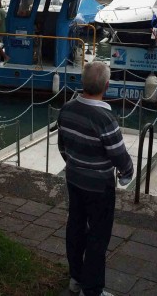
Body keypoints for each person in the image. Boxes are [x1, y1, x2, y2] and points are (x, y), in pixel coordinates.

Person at [58, 61, 134, 296]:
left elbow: (63, 147)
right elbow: (120, 155)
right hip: (99, 186)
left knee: (76, 226)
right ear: (107, 86)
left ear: (82, 82)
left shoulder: (67, 109)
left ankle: (76, 278)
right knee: (98, 237)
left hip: (74, 178)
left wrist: (75, 163)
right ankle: (92, 290)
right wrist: (127, 174)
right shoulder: (105, 118)